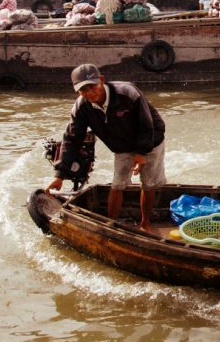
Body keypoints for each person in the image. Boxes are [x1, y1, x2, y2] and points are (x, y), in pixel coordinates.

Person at [56, 63, 166, 232]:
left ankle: (145, 224)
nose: (89, 93)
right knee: (117, 185)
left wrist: (142, 153)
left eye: (92, 87)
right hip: (122, 146)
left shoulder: (128, 93)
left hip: (150, 140)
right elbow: (72, 138)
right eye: (83, 90)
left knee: (148, 184)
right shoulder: (81, 107)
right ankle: (110, 225)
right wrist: (60, 175)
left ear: (101, 80)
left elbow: (147, 124)